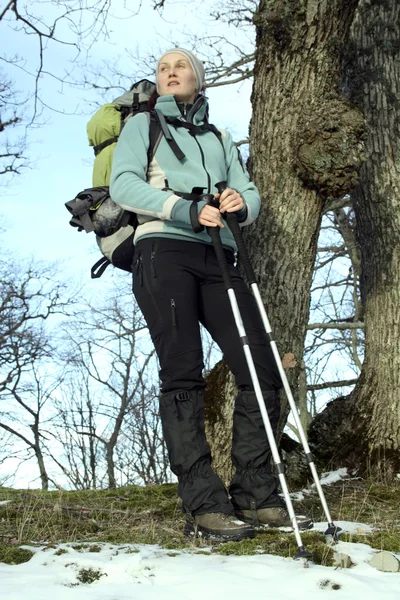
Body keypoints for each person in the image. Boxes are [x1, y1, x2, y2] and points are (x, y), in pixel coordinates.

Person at [110, 48, 303, 541]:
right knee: (183, 371)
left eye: (181, 67)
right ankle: (204, 501)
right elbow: (124, 185)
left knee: (260, 367)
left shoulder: (220, 137)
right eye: (162, 69)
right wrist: (182, 208)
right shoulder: (143, 127)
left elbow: (247, 191)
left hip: (219, 255)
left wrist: (244, 202)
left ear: (198, 78)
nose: (171, 73)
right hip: (162, 251)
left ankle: (256, 492)